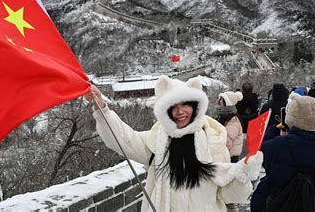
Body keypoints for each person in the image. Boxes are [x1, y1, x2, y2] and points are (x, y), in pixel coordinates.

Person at [84, 76, 263, 211]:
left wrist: (242, 176)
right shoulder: (156, 141)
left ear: (195, 106)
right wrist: (103, 111)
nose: (180, 111)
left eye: (185, 104)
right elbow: (124, 139)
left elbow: (226, 194)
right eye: (173, 106)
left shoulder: (213, 140)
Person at [250, 95, 315, 212]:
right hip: (314, 205)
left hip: (279, 204)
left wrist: (275, 130)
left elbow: (262, 154)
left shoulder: (278, 145)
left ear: (290, 117)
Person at [215, 91, 243, 163]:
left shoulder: (233, 120)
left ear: (228, 103)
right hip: (224, 153)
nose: (220, 101)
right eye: (220, 99)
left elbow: (228, 139)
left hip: (229, 156)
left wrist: (218, 153)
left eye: (222, 99)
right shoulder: (221, 115)